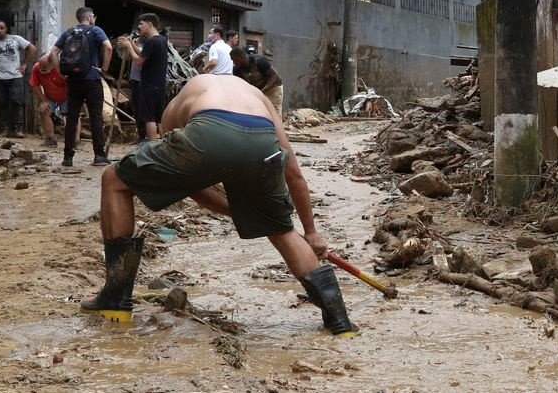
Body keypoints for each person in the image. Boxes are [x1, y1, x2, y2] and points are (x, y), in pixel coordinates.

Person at [80, 75, 357, 337]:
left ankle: (115, 301)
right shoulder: (257, 97)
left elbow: (191, 185)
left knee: (115, 179)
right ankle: (339, 321)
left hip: (208, 128)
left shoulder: (180, 103)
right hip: (262, 138)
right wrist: (310, 232)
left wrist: (237, 211)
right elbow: (293, 172)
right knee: (282, 229)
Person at [50, 7, 113, 167]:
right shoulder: (96, 30)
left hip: (73, 81)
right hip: (92, 79)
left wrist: (62, 73)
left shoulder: (68, 32)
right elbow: (108, 47)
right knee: (95, 117)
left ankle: (68, 157)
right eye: (93, 17)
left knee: (71, 118)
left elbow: (53, 53)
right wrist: (104, 68)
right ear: (90, 17)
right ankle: (99, 155)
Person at [116, 14, 168, 141]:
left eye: (141, 24)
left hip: (149, 84)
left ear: (150, 24)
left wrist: (128, 47)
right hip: (159, 84)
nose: (139, 27)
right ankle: (163, 143)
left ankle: (151, 147)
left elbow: (139, 61)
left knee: (149, 118)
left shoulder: (151, 41)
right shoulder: (161, 40)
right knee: (159, 117)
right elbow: (144, 54)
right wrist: (133, 46)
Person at [0, 18, 36, 138]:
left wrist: (25, 64)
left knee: (17, 102)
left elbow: (32, 48)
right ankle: (4, 128)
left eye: (2, 28)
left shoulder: (15, 39)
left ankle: (18, 128)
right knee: (2, 103)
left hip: (15, 76)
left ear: (6, 29)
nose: (0, 30)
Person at [29, 54, 77, 147]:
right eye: (41, 66)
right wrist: (43, 101)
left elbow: (72, 84)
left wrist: (74, 99)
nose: (42, 69)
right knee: (43, 111)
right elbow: (35, 85)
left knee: (72, 115)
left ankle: (74, 140)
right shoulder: (36, 68)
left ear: (53, 65)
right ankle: (51, 138)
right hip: (50, 96)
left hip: (67, 95)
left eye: (45, 67)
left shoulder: (61, 69)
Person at [230, 46, 284, 117]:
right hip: (257, 92)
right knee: (258, 112)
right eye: (232, 60)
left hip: (273, 89)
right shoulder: (236, 69)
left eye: (235, 60)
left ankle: (277, 127)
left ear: (242, 56)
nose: (234, 62)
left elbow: (273, 76)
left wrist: (262, 91)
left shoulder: (259, 60)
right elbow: (239, 85)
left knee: (274, 113)